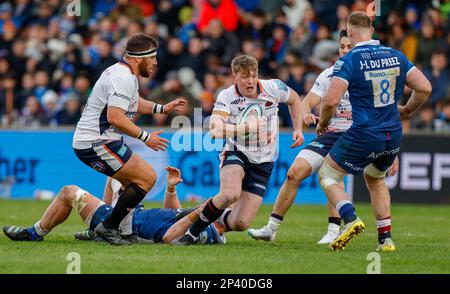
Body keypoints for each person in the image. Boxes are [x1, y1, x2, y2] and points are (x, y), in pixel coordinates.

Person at [248, 30, 399, 250]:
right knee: (294, 173)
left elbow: (389, 113)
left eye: (350, 46)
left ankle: (334, 230)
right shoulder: (330, 74)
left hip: (361, 135)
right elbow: (306, 102)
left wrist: (391, 151)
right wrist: (307, 113)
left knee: (334, 175)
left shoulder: (371, 74)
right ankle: (271, 229)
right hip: (331, 134)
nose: (345, 50)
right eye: (342, 46)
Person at [315, 12, 431, 251]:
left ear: (350, 31)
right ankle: (385, 240)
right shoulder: (395, 55)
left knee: (327, 175)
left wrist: (323, 123)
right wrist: (408, 110)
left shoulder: (349, 61)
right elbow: (425, 87)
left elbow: (329, 101)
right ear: (372, 30)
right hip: (393, 133)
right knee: (375, 179)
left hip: (365, 133)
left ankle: (350, 219)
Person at [176, 54, 305, 245]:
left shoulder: (274, 87)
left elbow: (294, 100)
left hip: (264, 161)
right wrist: (244, 128)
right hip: (236, 151)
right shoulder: (227, 96)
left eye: (254, 75)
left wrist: (298, 129)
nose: (251, 80)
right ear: (234, 77)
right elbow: (214, 130)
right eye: (245, 76)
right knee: (230, 194)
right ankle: (191, 234)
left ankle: (201, 210)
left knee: (240, 222)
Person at [72, 33, 187, 245]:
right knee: (147, 178)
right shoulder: (122, 77)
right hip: (96, 141)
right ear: (137, 58)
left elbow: (133, 102)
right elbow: (115, 117)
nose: (155, 62)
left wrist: (162, 108)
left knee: (133, 181)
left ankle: (124, 232)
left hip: (101, 139)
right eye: (151, 57)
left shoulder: (124, 73)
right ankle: (108, 227)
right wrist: (145, 137)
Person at [2, 167, 226, 245]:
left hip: (127, 227)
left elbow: (171, 238)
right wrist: (170, 189)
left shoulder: (208, 232)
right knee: (116, 176)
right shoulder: (205, 222)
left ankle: (34, 233)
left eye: (218, 206)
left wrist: (197, 212)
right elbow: (173, 213)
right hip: (131, 215)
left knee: (68, 192)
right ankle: (99, 229)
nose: (214, 204)